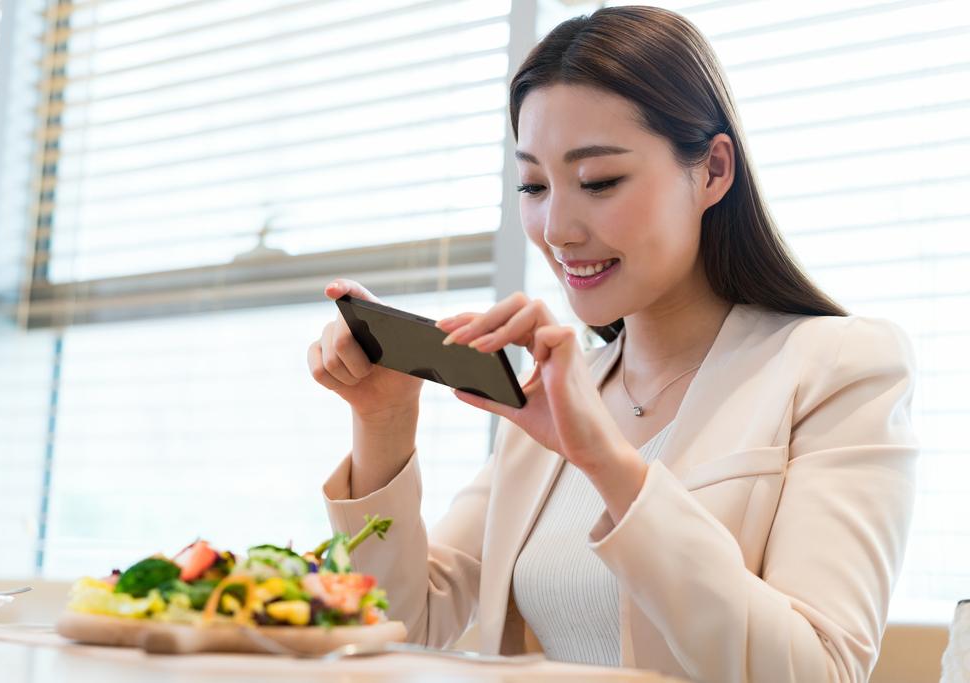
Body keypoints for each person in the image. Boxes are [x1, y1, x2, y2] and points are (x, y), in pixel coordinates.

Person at [307, 7, 917, 683]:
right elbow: (399, 624)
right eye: (533, 185)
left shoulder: (838, 368)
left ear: (713, 169)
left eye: (598, 182)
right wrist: (383, 422)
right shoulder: (557, 390)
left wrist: (605, 459)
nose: (557, 229)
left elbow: (820, 672)